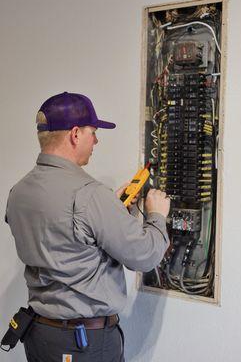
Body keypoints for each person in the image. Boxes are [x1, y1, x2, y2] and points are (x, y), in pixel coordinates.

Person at [5, 92, 170, 362]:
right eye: (93, 132)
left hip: (40, 335)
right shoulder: (90, 195)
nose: (96, 140)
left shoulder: (19, 191)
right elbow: (145, 256)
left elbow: (61, 234)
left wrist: (110, 212)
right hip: (84, 344)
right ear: (75, 134)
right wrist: (156, 216)